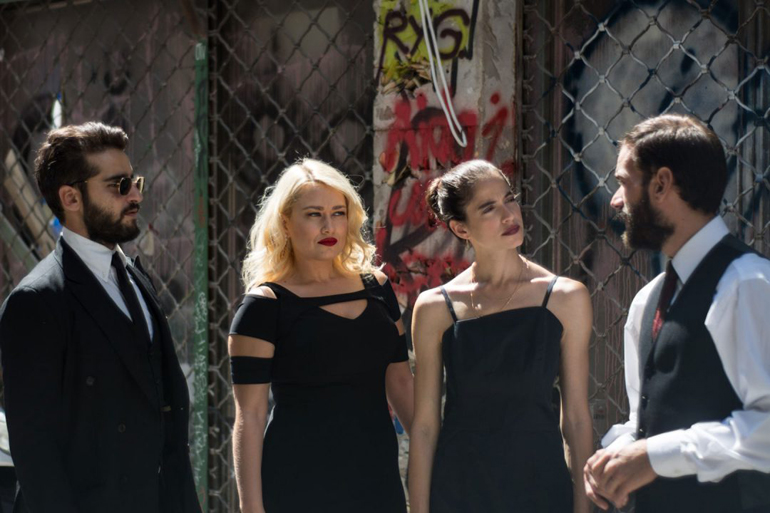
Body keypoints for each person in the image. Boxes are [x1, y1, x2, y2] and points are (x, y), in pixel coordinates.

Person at [0, 122, 201, 513]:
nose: (136, 195)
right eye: (119, 185)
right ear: (71, 197)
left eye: (134, 181)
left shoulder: (136, 278)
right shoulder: (35, 302)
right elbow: (37, 459)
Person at [583, 114, 770, 513]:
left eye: (623, 183)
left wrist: (656, 456)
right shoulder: (647, 299)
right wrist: (617, 456)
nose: (615, 201)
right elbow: (644, 422)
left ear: (661, 184)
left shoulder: (748, 283)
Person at [228, 158, 414, 513]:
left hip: (377, 482)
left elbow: (402, 381)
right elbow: (249, 415)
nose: (329, 226)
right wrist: (251, 508)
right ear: (285, 222)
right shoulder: (264, 306)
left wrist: (433, 457)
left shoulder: (377, 287)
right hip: (298, 487)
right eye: (314, 214)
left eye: (338, 213)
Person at [408, 160, 593, 513]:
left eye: (509, 199)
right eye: (489, 207)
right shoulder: (434, 307)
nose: (509, 215)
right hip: (459, 493)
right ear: (461, 228)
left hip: (541, 491)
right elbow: (425, 427)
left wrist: (584, 507)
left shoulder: (566, 297)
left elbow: (576, 419)